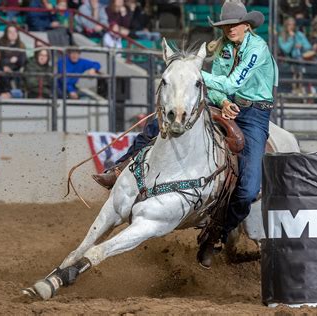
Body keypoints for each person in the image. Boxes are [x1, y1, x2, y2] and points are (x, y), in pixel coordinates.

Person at [93, 2, 278, 268]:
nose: (230, 30)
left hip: (254, 115)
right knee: (160, 125)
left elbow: (232, 82)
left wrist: (188, 71)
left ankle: (217, 233)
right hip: (227, 106)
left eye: (235, 25)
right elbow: (218, 88)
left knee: (247, 190)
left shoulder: (257, 48)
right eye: (226, 26)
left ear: (247, 26)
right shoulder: (225, 48)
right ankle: (121, 166)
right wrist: (221, 101)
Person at [0, 25, 27, 92]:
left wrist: (16, 61)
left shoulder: (21, 45)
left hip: (16, 71)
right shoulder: (0, 44)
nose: (13, 34)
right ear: (6, 34)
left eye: (15, 32)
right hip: (3, 70)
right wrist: (9, 61)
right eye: (10, 32)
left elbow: (23, 61)